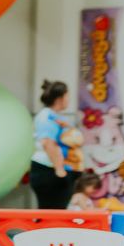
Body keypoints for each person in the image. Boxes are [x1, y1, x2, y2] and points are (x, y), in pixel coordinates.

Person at [29, 80, 78, 210]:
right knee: (51, 213)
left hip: (53, 170)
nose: (69, 99)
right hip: (49, 170)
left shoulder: (53, 116)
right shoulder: (47, 116)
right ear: (58, 99)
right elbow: (47, 142)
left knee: (56, 211)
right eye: (67, 95)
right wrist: (59, 169)